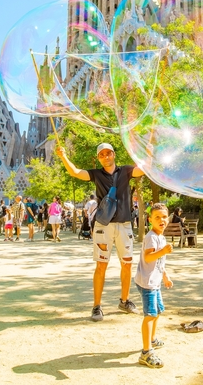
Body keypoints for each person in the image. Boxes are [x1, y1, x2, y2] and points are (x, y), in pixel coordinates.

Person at [56, 142, 146, 322]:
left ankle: (124, 300)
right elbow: (74, 171)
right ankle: (96, 306)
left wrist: (147, 150)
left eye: (108, 153)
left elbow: (142, 170)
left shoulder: (126, 171)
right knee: (101, 265)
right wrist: (63, 156)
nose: (106, 157)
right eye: (102, 155)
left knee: (127, 264)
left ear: (114, 154)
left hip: (124, 224)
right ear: (98, 158)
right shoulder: (96, 174)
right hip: (103, 225)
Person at [135, 202, 174, 369]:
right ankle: (146, 352)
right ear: (150, 219)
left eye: (164, 217)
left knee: (157, 311)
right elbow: (150, 257)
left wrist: (165, 276)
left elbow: (159, 262)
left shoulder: (161, 237)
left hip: (155, 281)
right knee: (150, 314)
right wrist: (163, 251)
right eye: (157, 217)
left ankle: (152, 339)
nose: (161, 220)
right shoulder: (151, 237)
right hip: (147, 283)